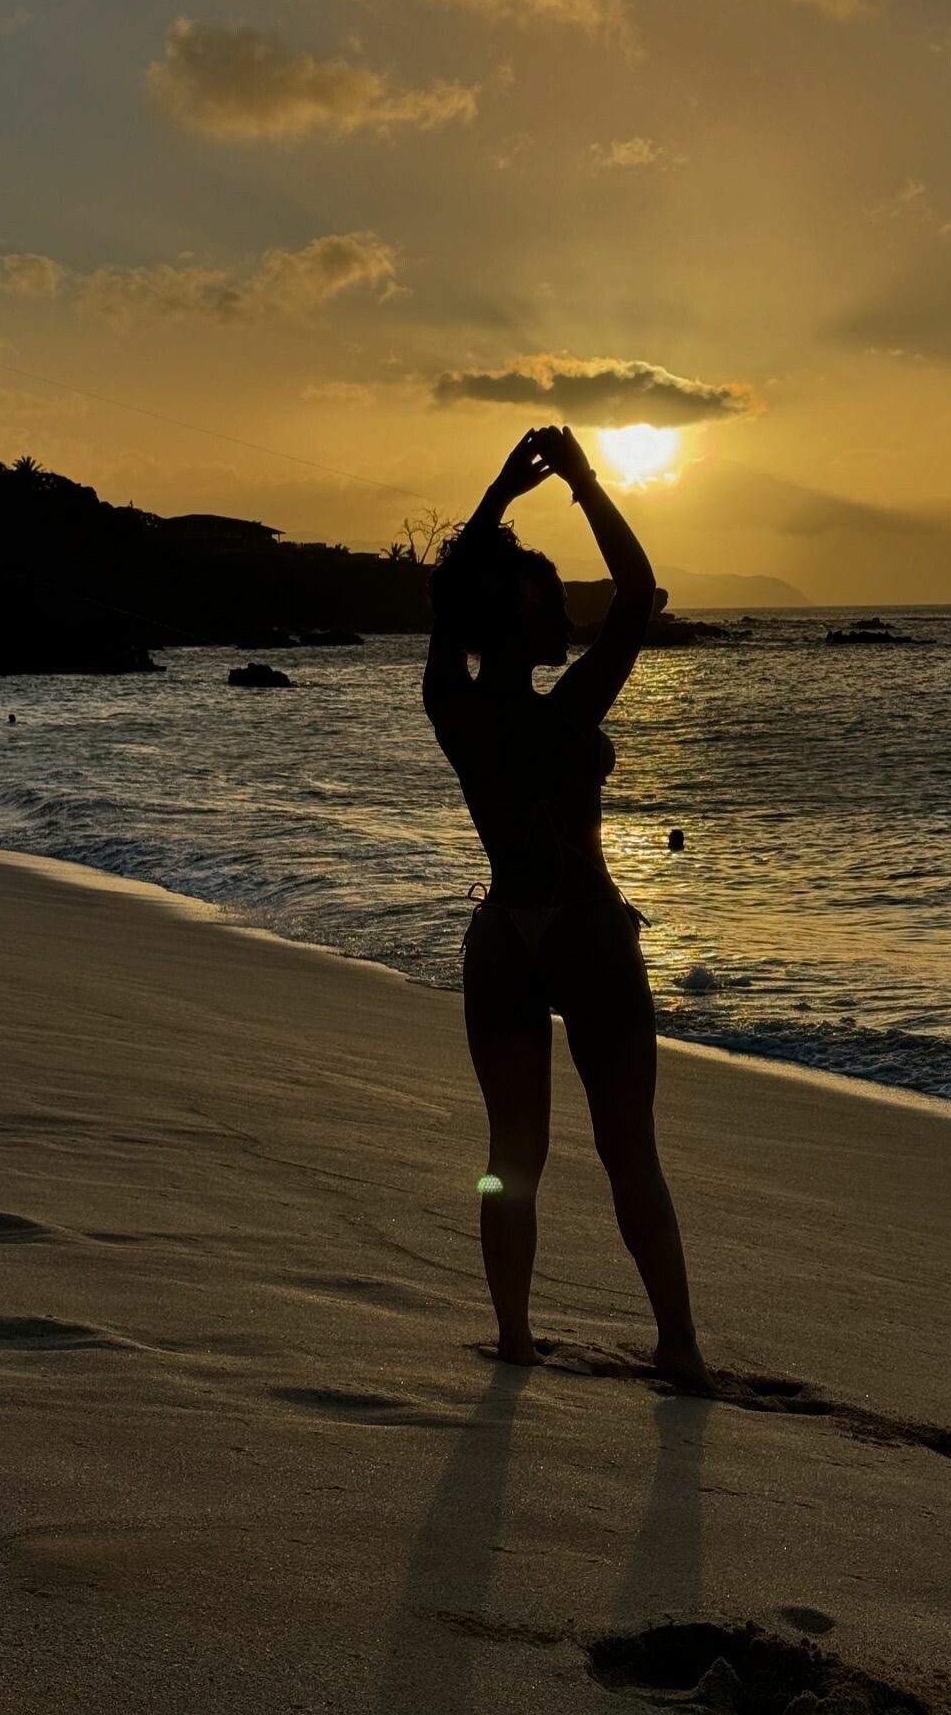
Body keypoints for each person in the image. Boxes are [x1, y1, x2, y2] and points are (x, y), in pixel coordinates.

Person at [424, 425, 714, 1393]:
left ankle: (515, 1338)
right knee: (629, 1149)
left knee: (512, 1153)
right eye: (549, 603)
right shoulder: (566, 711)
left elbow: (449, 598)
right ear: (515, 619)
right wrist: (584, 483)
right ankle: (677, 1346)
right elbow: (638, 592)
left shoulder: (453, 706)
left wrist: (498, 495)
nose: (564, 618)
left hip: (505, 935)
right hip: (586, 929)